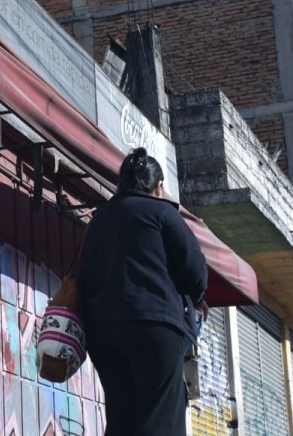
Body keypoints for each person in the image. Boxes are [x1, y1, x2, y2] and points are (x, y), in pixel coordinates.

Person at [78, 148, 207, 436]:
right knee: (161, 419)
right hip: (155, 330)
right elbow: (196, 272)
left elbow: (84, 276)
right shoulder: (163, 213)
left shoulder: (98, 221)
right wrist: (195, 298)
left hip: (103, 333)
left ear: (120, 185)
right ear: (158, 187)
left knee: (122, 419)